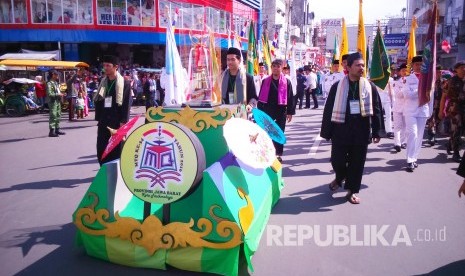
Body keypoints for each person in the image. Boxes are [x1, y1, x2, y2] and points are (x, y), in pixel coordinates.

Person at [320, 52, 384, 204]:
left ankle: (351, 191)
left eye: (362, 65)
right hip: (341, 130)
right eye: (358, 65)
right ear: (348, 67)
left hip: (361, 132)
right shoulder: (337, 86)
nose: (361, 68)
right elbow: (328, 109)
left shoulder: (370, 87)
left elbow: (377, 109)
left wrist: (377, 131)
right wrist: (327, 131)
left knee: (357, 163)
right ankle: (340, 177)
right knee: (337, 161)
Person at [93, 55, 131, 166]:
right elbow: (99, 100)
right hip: (104, 120)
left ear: (116, 67)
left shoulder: (124, 83)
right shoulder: (103, 83)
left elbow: (126, 104)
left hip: (117, 121)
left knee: (117, 149)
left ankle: (116, 171)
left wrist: (123, 122)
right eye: (104, 65)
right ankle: (103, 169)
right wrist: (99, 118)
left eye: (108, 66)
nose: (105, 68)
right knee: (101, 147)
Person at [257, 59, 295, 162]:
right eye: (273, 66)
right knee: (267, 133)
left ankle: (278, 154)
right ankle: (268, 153)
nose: (275, 68)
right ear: (271, 68)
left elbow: (291, 97)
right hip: (267, 110)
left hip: (281, 111)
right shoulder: (265, 81)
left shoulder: (286, 82)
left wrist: (290, 112)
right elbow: (260, 97)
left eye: (278, 66)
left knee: (279, 132)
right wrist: (259, 112)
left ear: (281, 68)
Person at [403, 55, 434, 172]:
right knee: (413, 134)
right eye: (417, 64)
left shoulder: (428, 79)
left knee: (419, 136)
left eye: (421, 64)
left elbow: (431, 97)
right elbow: (407, 95)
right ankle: (410, 160)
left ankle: (414, 158)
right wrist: (420, 89)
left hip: (423, 110)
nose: (419, 66)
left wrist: (430, 111)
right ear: (413, 66)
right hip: (410, 110)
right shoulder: (408, 78)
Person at [439, 61, 465, 162]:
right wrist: (441, 111)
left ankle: (450, 143)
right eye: (462, 67)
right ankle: (456, 152)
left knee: (461, 130)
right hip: (455, 108)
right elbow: (443, 97)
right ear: (456, 70)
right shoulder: (450, 81)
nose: (464, 69)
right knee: (456, 129)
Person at [392, 63, 408, 152]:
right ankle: (397, 143)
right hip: (397, 107)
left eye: (406, 70)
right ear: (400, 72)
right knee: (397, 126)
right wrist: (406, 88)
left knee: (405, 126)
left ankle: (404, 142)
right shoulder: (396, 83)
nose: (404, 72)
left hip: (407, 107)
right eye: (403, 71)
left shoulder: (411, 81)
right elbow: (398, 94)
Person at [46, 70, 65, 137]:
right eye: (56, 74)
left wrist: (61, 94)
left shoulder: (56, 83)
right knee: (53, 115)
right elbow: (50, 94)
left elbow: (58, 91)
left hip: (57, 101)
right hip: (52, 101)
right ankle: (51, 131)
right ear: (52, 75)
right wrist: (58, 94)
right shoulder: (49, 83)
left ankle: (57, 129)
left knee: (58, 114)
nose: (57, 76)